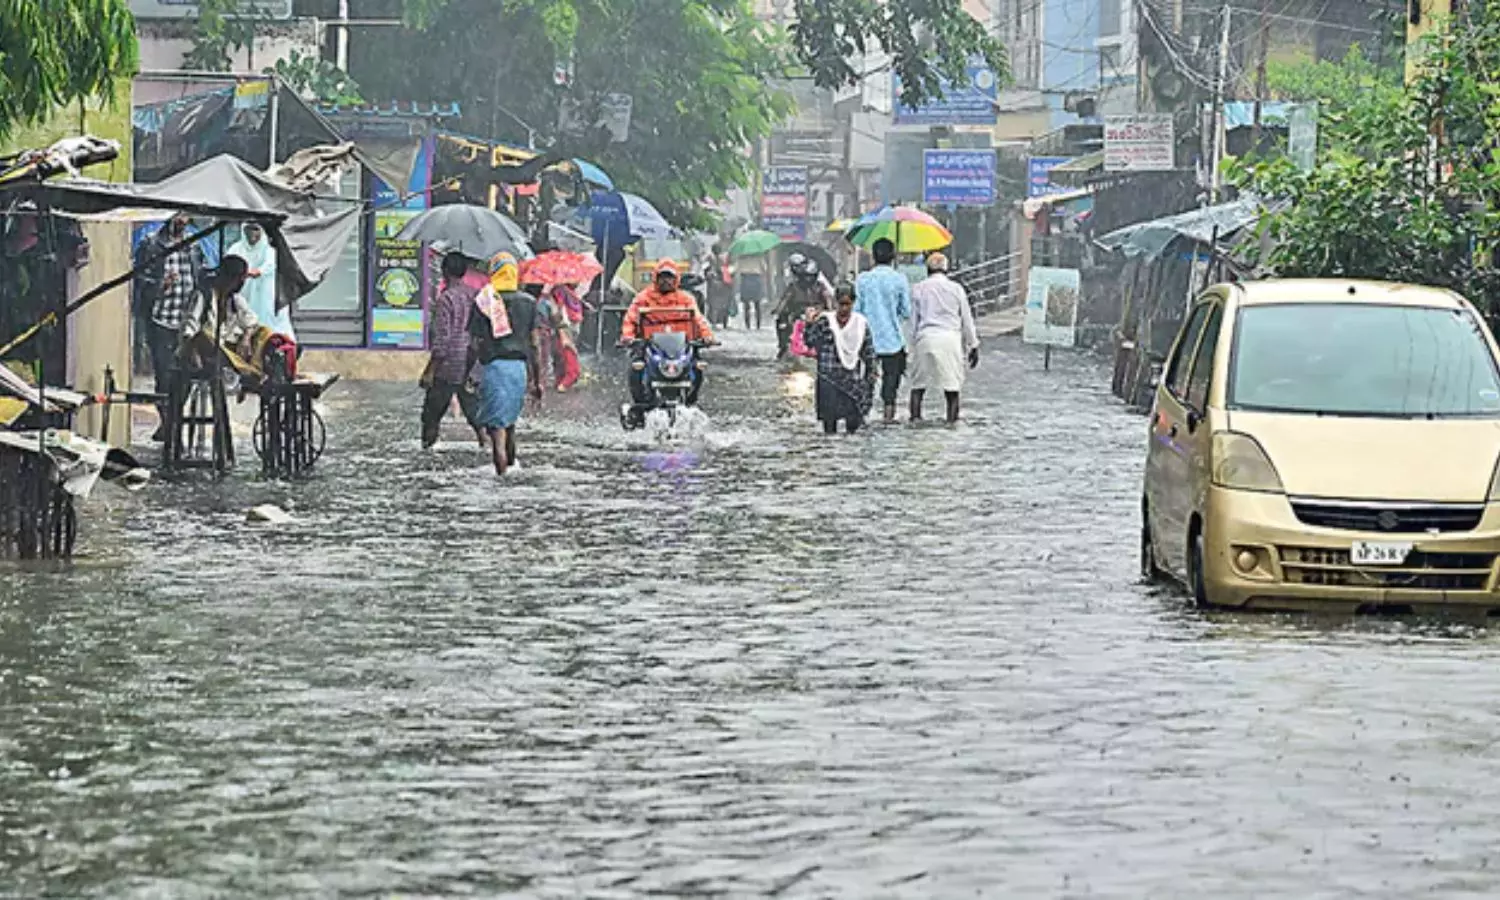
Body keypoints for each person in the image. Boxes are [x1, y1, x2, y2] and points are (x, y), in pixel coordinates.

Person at [468, 251, 542, 477]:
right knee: (509, 421)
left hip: (494, 368)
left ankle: (501, 477)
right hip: (518, 370)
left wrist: (467, 371)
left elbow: (474, 343)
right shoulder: (529, 302)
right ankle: (511, 469)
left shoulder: (484, 299)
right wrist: (537, 380)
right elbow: (535, 345)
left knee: (496, 429)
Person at [135, 212, 205, 441]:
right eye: (177, 216)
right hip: (160, 321)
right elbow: (139, 281)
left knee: (187, 374)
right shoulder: (152, 245)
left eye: (185, 216)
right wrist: (160, 285)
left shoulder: (194, 247)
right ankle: (169, 423)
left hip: (187, 323)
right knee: (164, 376)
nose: (181, 221)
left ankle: (172, 419)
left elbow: (201, 279)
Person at [619, 260, 716, 406]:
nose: (666, 281)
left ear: (676, 279)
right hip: (650, 346)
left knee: (697, 366)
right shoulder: (643, 298)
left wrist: (707, 336)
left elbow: (698, 319)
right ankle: (640, 403)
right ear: (655, 278)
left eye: (670, 277)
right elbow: (630, 319)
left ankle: (691, 399)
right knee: (636, 366)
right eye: (662, 277)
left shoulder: (686, 299)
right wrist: (628, 337)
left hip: (680, 347)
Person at [420, 251, 484, 449]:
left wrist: (430, 370)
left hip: (448, 367)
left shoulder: (445, 299)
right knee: (477, 416)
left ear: (445, 271)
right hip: (471, 363)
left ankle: (427, 450)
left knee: (431, 416)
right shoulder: (475, 296)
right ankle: (489, 449)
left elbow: (442, 340)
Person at [908, 252, 980, 424]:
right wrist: (973, 345)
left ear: (927, 270)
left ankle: (915, 422)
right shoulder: (956, 289)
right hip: (950, 339)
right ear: (947, 270)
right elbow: (966, 319)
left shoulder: (918, 288)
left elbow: (912, 323)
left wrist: (908, 349)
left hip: (925, 338)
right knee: (952, 389)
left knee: (918, 387)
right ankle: (951, 424)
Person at [802, 281, 875, 435]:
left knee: (853, 428)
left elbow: (868, 352)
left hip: (851, 382)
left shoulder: (860, 324)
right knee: (829, 428)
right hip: (828, 380)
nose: (844, 309)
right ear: (835, 302)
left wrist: (871, 374)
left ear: (853, 303)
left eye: (847, 304)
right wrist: (809, 324)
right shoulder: (825, 322)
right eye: (841, 304)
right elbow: (809, 342)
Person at [854, 237, 912, 423]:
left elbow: (857, 311)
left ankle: (863, 416)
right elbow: (906, 311)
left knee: (867, 380)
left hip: (867, 340)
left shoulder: (863, 279)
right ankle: (888, 418)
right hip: (892, 340)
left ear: (873, 256)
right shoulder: (900, 279)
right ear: (893, 256)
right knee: (891, 383)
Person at [179, 255, 258, 374]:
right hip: (204, 352)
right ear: (231, 278)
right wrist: (192, 349)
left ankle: (248, 368)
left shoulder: (235, 300)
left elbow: (251, 321)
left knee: (264, 332)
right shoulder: (203, 296)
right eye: (240, 279)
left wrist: (246, 338)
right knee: (205, 337)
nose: (242, 283)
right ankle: (249, 371)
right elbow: (189, 328)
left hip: (226, 349)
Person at [226, 222, 293, 340]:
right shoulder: (235, 249)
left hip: (265, 296)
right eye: (248, 229)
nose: (252, 233)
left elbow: (267, 267)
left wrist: (255, 272)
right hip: (244, 293)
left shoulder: (269, 251)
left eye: (256, 229)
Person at [772, 254, 833, 359]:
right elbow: (785, 300)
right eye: (806, 276)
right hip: (797, 315)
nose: (808, 279)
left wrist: (829, 311)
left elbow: (828, 301)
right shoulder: (794, 286)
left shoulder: (820, 287)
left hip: (818, 316)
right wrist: (778, 311)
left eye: (811, 276)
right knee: (781, 323)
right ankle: (783, 345)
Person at [738, 260, 765, 330]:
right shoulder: (759, 257)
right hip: (756, 279)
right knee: (757, 304)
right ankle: (758, 325)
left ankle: (748, 325)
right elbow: (764, 268)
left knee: (746, 305)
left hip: (745, 279)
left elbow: (737, 268)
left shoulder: (741, 257)